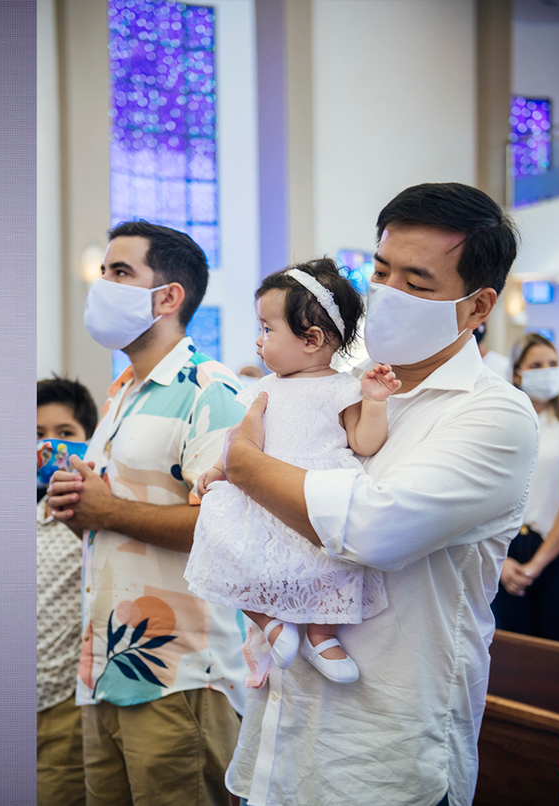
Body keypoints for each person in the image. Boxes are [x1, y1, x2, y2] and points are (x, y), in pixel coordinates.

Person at [218, 183, 537, 806]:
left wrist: (245, 466)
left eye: (417, 284)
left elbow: (370, 531)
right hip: (279, 732)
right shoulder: (335, 386)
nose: (388, 295)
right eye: (381, 272)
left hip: (379, 755)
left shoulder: (493, 416)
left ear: (478, 308)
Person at [48, 221, 247, 806]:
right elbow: (121, 511)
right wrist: (83, 508)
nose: (102, 283)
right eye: (103, 270)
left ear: (167, 297)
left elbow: (223, 528)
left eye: (119, 272)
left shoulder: (211, 389)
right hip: (105, 664)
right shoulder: (120, 393)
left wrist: (108, 511)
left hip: (180, 670)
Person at [185, 260, 400, 686]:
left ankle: (322, 635)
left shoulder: (344, 387)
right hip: (260, 496)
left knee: (330, 567)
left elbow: (364, 443)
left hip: (313, 493)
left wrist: (375, 401)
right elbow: (240, 442)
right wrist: (215, 469)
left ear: (312, 339)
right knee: (231, 552)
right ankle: (270, 622)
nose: (259, 340)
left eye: (267, 329)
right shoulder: (261, 390)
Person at [35, 376, 98, 806]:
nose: (51, 445)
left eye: (65, 434)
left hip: (63, 695)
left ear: (89, 443)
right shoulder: (31, 514)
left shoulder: (96, 515)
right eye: (37, 435)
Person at [491, 332, 559, 643]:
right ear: (517, 373)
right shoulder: (504, 425)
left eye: (553, 364)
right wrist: (500, 562)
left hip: (558, 555)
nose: (547, 371)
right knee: (515, 651)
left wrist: (536, 566)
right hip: (505, 550)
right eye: (536, 364)